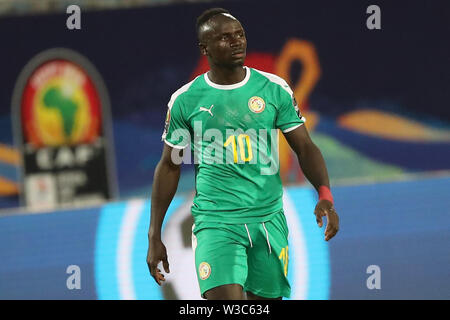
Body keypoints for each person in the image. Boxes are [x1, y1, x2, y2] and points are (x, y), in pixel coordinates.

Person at [147, 7, 339, 300]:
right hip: (216, 223)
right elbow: (170, 166)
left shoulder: (274, 89)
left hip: (268, 220)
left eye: (239, 35)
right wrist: (154, 234)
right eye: (225, 38)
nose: (236, 42)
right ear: (205, 48)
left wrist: (325, 195)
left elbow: (305, 147)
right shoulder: (185, 100)